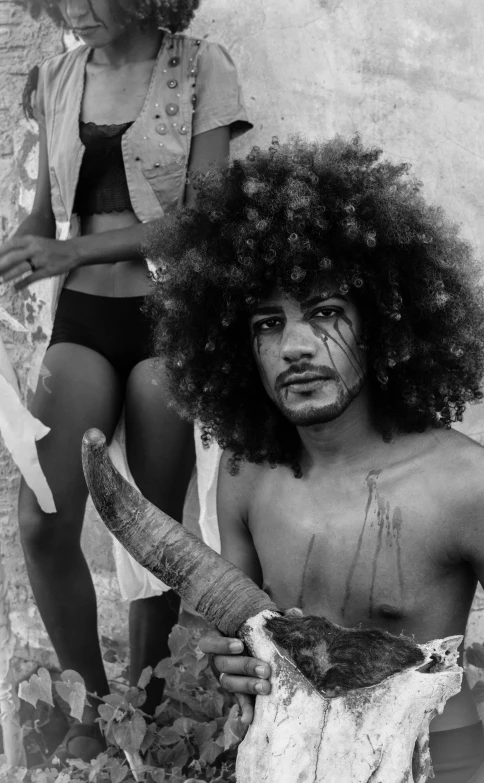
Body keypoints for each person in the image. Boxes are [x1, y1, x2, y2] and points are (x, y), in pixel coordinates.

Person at [146, 136, 484, 783]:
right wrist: (229, 664)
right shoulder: (244, 474)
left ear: (379, 324)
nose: (293, 346)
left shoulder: (472, 487)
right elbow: (236, 646)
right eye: (267, 323)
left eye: (323, 313)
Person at [0, 0, 251, 761]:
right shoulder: (55, 76)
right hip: (79, 323)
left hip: (168, 320)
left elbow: (203, 220)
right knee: (43, 516)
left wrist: (69, 255)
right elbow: (42, 217)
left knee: (151, 530)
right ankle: (92, 710)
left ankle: (142, 707)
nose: (76, 6)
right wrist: (19, 249)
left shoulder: (203, 66)